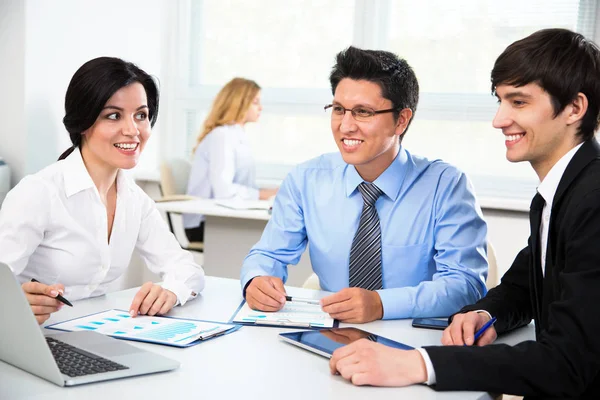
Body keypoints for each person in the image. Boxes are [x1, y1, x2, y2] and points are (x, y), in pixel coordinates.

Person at [329, 28, 600, 398]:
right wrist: (487, 314)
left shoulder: (594, 200)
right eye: (500, 101)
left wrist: (420, 364)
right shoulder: (559, 192)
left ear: (574, 108)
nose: (499, 120)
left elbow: (568, 363)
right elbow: (523, 287)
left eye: (518, 103)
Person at [240, 47, 488, 323]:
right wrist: (256, 279)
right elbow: (268, 253)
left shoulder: (446, 185)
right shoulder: (306, 179)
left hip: (414, 339)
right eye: (338, 110)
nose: (345, 126)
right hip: (331, 334)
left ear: (401, 120)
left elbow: (465, 285)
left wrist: (381, 304)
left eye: (362, 112)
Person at [0, 57, 205, 325]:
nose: (133, 130)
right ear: (84, 123)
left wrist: (171, 291)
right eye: (114, 115)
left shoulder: (135, 201)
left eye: (141, 115)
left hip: (95, 336)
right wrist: (15, 302)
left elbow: (188, 269)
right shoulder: (39, 193)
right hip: (33, 340)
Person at [183, 78, 278, 243]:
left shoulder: (236, 135)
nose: (260, 107)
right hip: (206, 224)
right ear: (239, 103)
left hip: (223, 218)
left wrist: (267, 192)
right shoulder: (222, 136)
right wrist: (262, 195)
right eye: (255, 102)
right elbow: (224, 191)